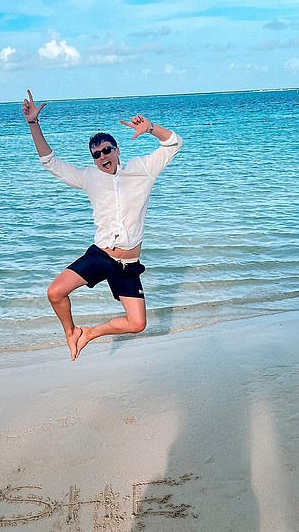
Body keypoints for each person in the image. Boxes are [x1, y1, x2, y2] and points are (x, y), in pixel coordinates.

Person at [22, 89, 182, 360]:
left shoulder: (142, 169)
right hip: (102, 255)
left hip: (128, 264)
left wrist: (151, 128)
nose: (103, 157)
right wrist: (33, 123)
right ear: (93, 159)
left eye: (107, 150)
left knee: (137, 324)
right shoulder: (88, 178)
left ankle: (90, 333)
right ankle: (71, 332)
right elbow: (49, 162)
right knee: (55, 293)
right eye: (96, 154)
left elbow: (174, 143)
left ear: (117, 150)